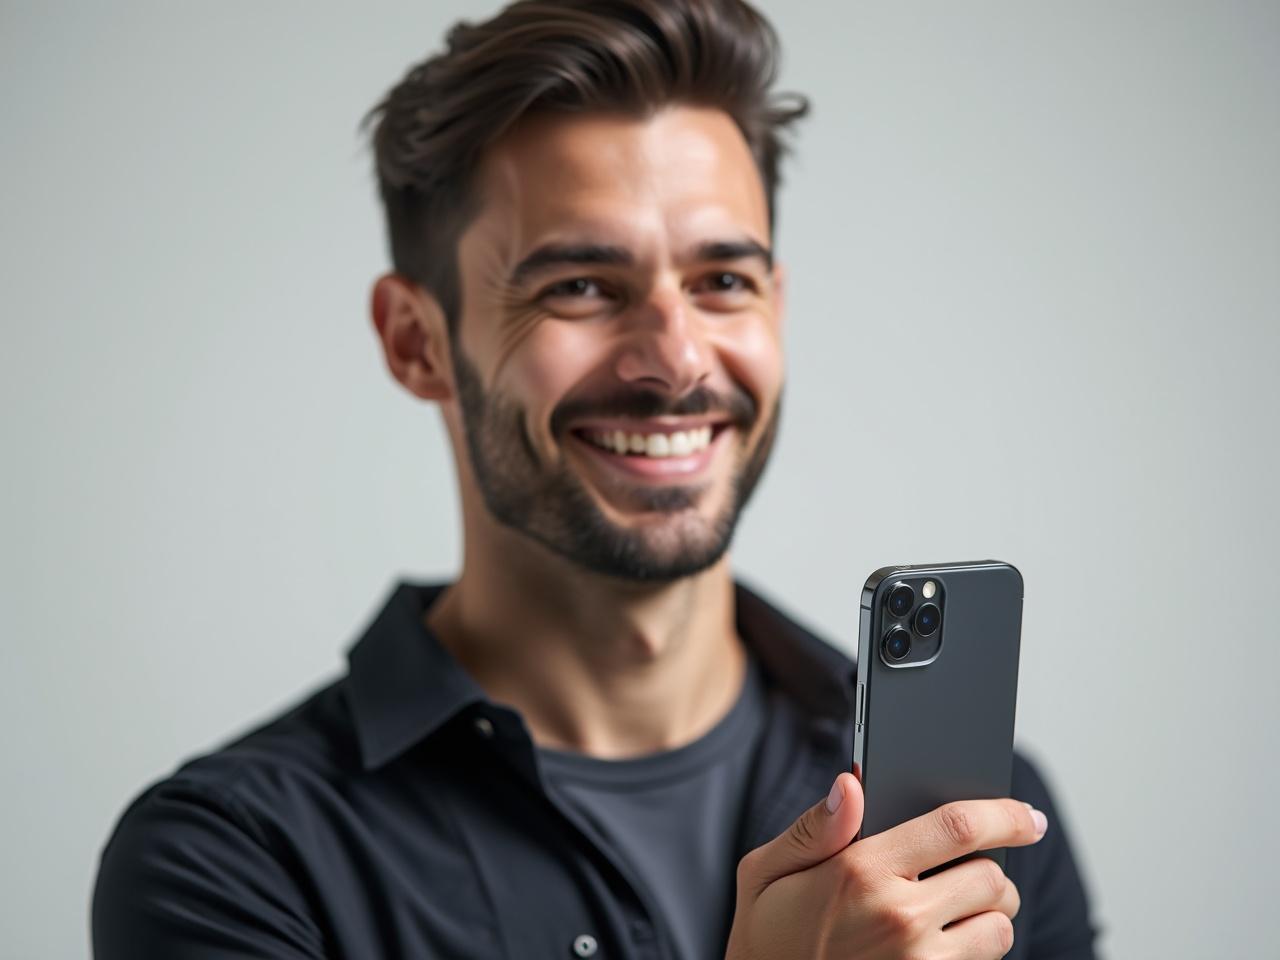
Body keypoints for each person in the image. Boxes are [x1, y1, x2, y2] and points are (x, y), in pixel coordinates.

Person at [92, 1, 1098, 957]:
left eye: (721, 284)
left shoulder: (973, 821)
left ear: (774, 309)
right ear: (416, 342)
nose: (676, 360)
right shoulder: (230, 861)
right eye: (579, 286)